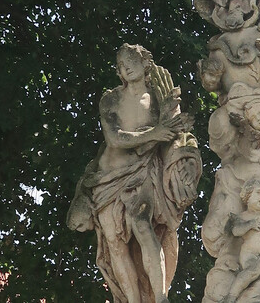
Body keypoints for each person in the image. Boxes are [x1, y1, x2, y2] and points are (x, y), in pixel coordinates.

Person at [67, 44, 201, 303]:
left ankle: (160, 297)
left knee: (142, 225)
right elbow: (114, 138)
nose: (125, 67)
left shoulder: (158, 99)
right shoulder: (111, 99)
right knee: (114, 243)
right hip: (107, 178)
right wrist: (155, 133)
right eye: (120, 64)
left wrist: (183, 159)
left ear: (145, 63)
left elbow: (176, 138)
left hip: (142, 173)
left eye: (130, 60)